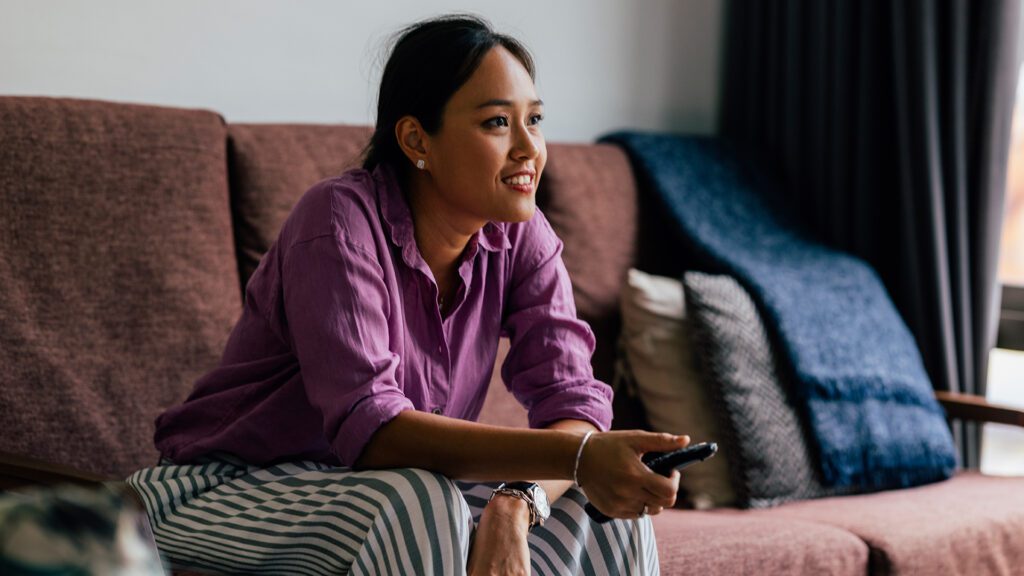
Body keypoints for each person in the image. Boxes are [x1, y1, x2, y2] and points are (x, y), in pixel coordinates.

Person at [125, 13, 688, 576]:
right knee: (420, 499)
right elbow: (374, 431)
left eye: (534, 119)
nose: (529, 148)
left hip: (375, 494)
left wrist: (516, 503)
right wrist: (584, 456)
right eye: (497, 122)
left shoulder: (523, 236)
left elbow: (575, 407)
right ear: (417, 139)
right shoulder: (338, 221)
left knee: (608, 511)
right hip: (222, 490)